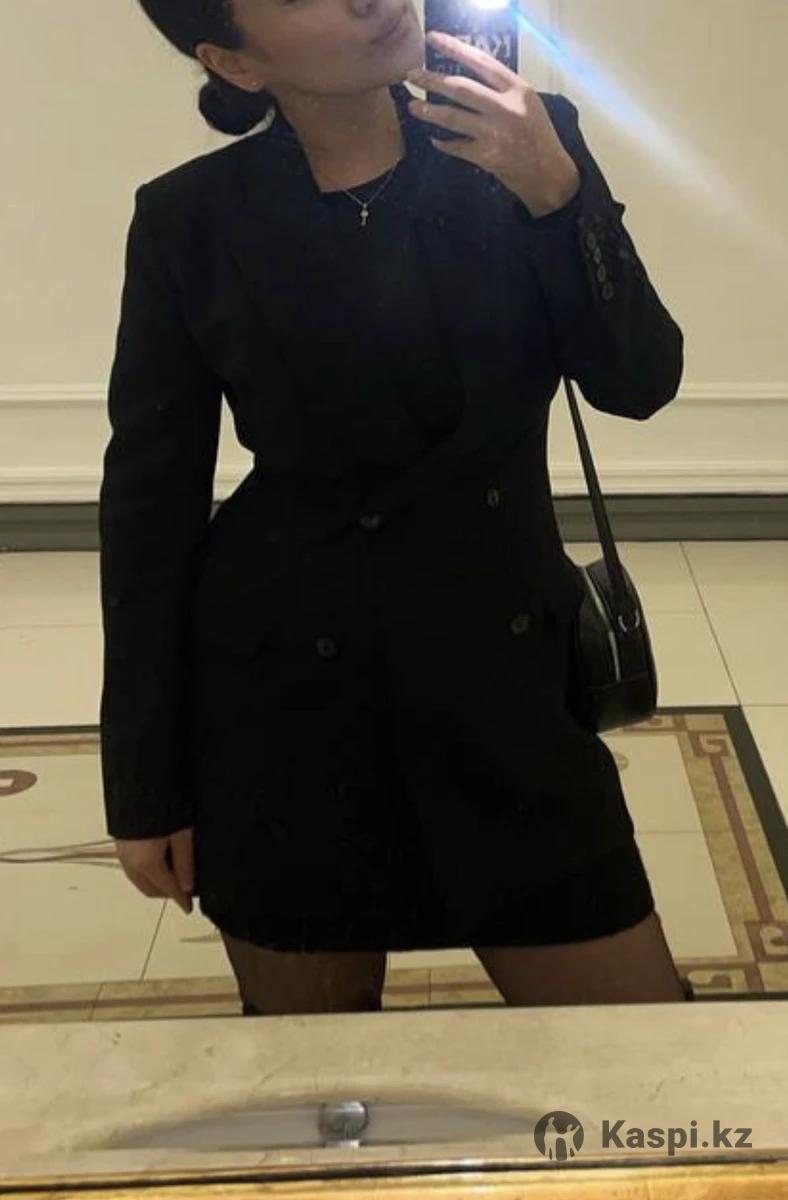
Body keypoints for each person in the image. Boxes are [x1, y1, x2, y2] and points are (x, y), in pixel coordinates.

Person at [101, 0, 690, 1015]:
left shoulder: (523, 140)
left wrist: (557, 196)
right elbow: (149, 513)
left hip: (501, 686)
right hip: (287, 705)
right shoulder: (190, 218)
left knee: (641, 1065)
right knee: (314, 1086)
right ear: (234, 63)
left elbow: (638, 380)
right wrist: (145, 786)